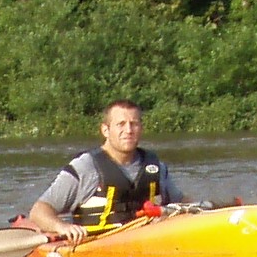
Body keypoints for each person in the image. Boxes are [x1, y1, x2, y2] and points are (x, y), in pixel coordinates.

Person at [26, 100, 185, 244]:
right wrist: (61, 226)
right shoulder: (86, 167)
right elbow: (39, 211)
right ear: (105, 130)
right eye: (121, 124)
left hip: (147, 240)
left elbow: (182, 203)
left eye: (134, 124)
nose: (128, 130)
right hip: (97, 243)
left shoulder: (156, 166)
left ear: (141, 128)